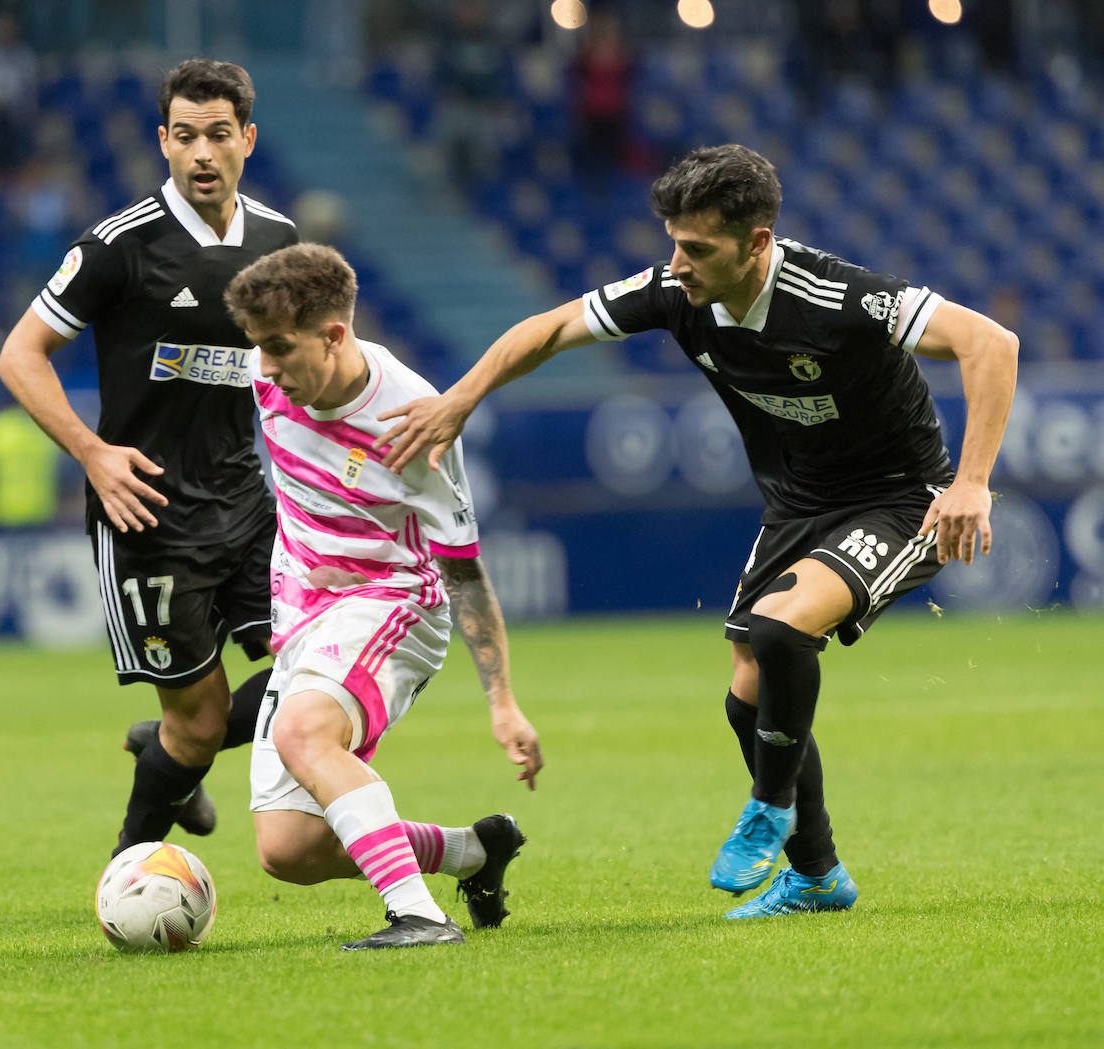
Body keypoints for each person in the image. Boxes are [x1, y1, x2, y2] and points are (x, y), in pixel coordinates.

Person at [377, 144, 1018, 919]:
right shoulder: (673, 290)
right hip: (797, 503)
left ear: (758, 243)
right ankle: (817, 876)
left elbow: (992, 343)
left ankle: (769, 806)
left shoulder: (836, 295)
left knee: (781, 630)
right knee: (748, 699)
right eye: (673, 242)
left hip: (896, 499)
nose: (676, 263)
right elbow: (550, 329)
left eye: (697, 247)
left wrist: (972, 482)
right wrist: (461, 398)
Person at [0, 59, 299, 856]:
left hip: (247, 500)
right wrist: (93, 454)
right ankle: (135, 852)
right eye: (186, 136)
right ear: (163, 142)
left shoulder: (279, 243)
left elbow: (292, 370)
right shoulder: (118, 246)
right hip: (149, 517)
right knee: (196, 723)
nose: (203, 153)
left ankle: (168, 760)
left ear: (249, 140)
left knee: (313, 667)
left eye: (220, 135)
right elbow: (21, 355)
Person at [221, 242, 543, 950]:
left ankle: (419, 916)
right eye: (258, 350)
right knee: (289, 847)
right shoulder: (266, 367)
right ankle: (474, 851)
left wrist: (502, 701)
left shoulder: (412, 424)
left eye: (279, 348)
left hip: (395, 597)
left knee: (303, 731)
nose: (265, 368)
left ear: (335, 336)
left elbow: (463, 571)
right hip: (304, 608)